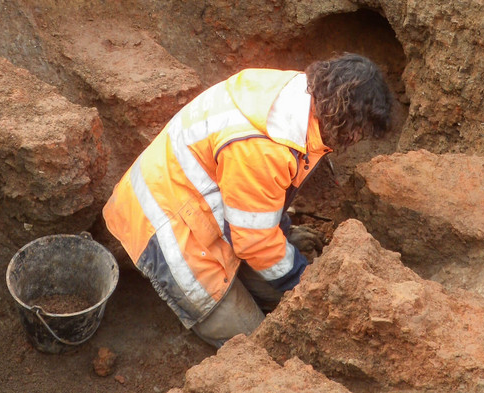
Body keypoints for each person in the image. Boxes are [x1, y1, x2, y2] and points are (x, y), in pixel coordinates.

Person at [103, 53, 393, 348]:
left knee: (290, 297)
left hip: (204, 207)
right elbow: (252, 240)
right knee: (259, 346)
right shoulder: (265, 145)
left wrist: (282, 233)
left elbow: (263, 193)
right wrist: (302, 279)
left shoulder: (301, 99)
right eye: (360, 131)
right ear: (344, 115)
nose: (357, 139)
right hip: (166, 228)